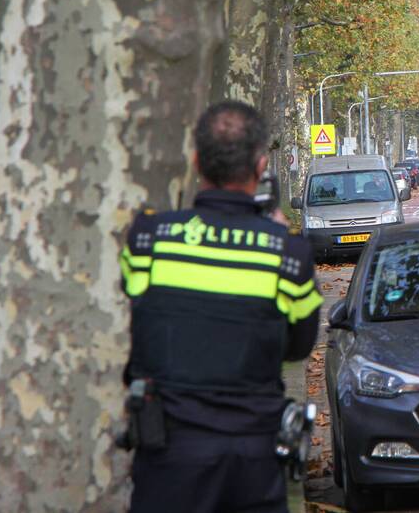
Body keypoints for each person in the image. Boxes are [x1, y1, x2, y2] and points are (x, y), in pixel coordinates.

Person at [119, 101, 322, 513]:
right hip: (253, 461)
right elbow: (299, 346)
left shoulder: (148, 239)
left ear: (196, 161)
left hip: (168, 458)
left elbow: (138, 310)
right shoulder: (288, 254)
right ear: (261, 165)